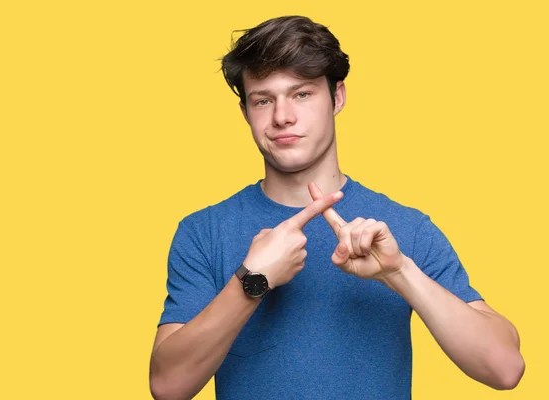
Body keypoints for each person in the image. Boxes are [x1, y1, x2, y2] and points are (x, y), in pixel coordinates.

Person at [149, 15, 525, 400]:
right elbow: (167, 387)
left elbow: (504, 368)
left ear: (338, 97)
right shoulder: (203, 231)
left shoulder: (404, 228)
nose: (282, 117)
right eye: (263, 100)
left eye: (302, 94)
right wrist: (251, 282)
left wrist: (398, 272)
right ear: (246, 112)